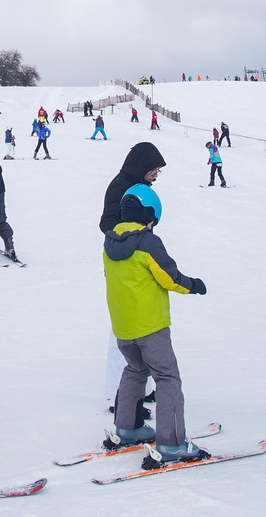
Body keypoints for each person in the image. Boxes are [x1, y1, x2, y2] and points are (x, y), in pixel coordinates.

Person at [102, 184, 208, 464]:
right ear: (149, 215)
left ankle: (128, 428)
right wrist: (193, 285)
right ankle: (172, 443)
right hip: (150, 326)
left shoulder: (110, 242)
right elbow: (169, 277)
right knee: (167, 377)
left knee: (136, 369)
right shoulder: (147, 241)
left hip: (123, 326)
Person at [99, 143, 166, 412]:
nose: (156, 175)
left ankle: (141, 389)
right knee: (125, 330)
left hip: (138, 260)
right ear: (141, 166)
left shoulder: (139, 186)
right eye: (154, 170)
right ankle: (117, 395)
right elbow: (106, 223)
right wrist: (133, 233)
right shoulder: (120, 187)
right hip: (123, 262)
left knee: (142, 326)